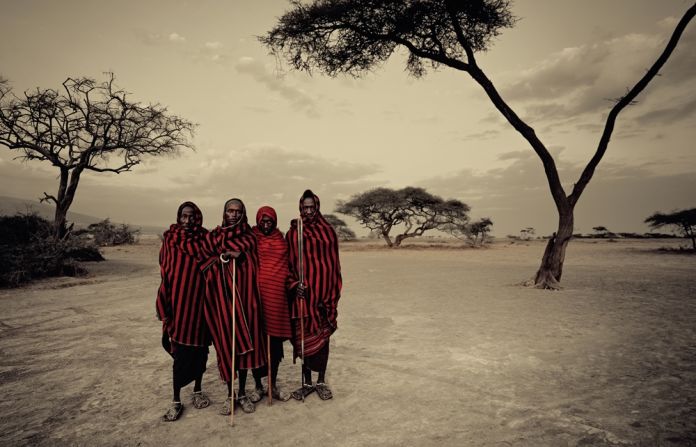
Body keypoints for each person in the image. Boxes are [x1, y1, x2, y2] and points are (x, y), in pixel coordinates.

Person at [170, 198, 267, 415]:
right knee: (227, 347)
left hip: (245, 300)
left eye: (237, 211)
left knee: (244, 349)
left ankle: (241, 392)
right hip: (221, 303)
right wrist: (223, 258)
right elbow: (204, 263)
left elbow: (256, 265)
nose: (233, 215)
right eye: (229, 211)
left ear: (243, 213)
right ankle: (230, 395)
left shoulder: (249, 237)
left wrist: (240, 256)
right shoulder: (214, 237)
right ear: (224, 212)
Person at [156, 202, 211, 422]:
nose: (187, 221)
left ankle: (197, 390)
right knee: (180, 355)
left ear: (197, 218)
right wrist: (163, 304)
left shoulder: (205, 240)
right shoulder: (170, 240)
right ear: (179, 217)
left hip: (200, 307)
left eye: (191, 217)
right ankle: (176, 400)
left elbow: (213, 268)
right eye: (183, 217)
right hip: (178, 307)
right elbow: (165, 272)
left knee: (200, 353)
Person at [286, 190, 342, 401]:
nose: (308, 211)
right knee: (302, 340)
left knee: (322, 340)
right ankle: (306, 382)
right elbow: (288, 265)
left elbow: (333, 266)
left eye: (311, 207)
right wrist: (294, 285)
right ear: (300, 208)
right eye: (304, 208)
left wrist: (327, 294)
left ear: (317, 207)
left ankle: (320, 381)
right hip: (301, 298)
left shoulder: (327, 232)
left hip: (322, 297)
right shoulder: (293, 232)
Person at [252, 206, 293, 402]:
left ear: (275, 222)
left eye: (270, 221)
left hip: (277, 299)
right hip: (256, 299)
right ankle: (258, 386)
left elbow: (287, 266)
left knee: (274, 346)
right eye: (263, 221)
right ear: (258, 220)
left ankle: (272, 385)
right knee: (257, 344)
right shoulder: (251, 238)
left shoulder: (281, 240)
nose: (266, 225)